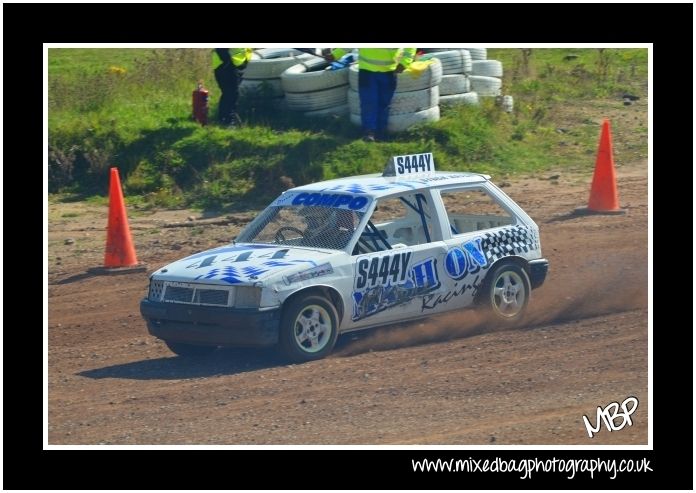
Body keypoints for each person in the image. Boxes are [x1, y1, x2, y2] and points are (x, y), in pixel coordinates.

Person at [326, 48, 416, 142]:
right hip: (367, 71)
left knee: (384, 104)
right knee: (368, 102)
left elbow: (410, 48)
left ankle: (381, 133)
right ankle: (369, 132)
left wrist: (404, 63)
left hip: (388, 72)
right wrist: (335, 55)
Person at [212, 48, 253, 126]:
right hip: (225, 66)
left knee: (228, 94)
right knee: (231, 94)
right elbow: (221, 49)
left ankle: (224, 119)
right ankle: (228, 121)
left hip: (230, 66)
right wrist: (229, 63)